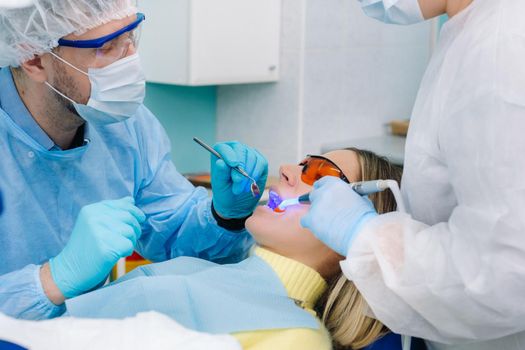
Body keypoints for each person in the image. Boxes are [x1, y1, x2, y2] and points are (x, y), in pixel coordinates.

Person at [0, 0, 267, 320]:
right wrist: (52, 281)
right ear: (33, 59)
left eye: (132, 38)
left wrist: (225, 217)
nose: (131, 62)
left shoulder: (127, 125)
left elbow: (174, 233)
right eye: (107, 47)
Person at [301, 0, 525, 349]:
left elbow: (506, 275)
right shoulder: (472, 35)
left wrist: (364, 235)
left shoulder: (503, 46)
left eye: (321, 175)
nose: (290, 171)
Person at [50, 149, 402, 350]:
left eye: (320, 174)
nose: (287, 170)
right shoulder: (204, 269)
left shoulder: (295, 338)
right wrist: (53, 283)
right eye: (302, 162)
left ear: (355, 230)